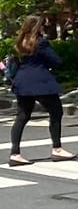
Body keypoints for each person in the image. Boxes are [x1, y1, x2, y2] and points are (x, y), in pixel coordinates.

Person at [8, 15, 74, 167]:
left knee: (22, 116)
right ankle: (57, 149)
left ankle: (15, 153)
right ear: (38, 27)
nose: (45, 27)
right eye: (43, 25)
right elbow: (56, 61)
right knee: (56, 112)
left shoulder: (19, 42)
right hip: (40, 82)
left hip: (22, 82)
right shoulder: (41, 43)